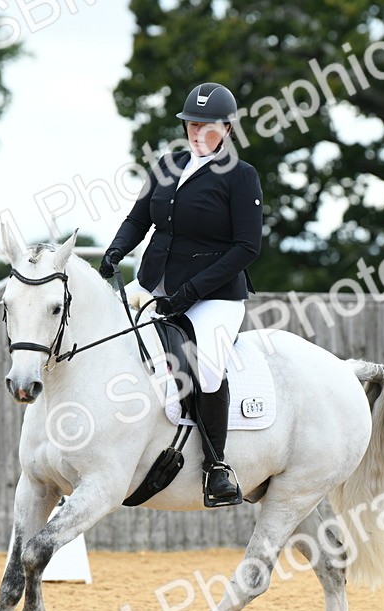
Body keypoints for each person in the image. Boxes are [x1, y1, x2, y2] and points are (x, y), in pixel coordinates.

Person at [100, 81, 263, 507]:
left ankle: (217, 466)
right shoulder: (167, 165)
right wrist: (116, 250)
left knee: (206, 367)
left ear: (226, 128)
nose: (196, 133)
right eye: (191, 124)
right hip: (154, 283)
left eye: (206, 126)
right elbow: (139, 219)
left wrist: (189, 293)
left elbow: (247, 247)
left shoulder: (241, 176)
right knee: (104, 337)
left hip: (215, 297)